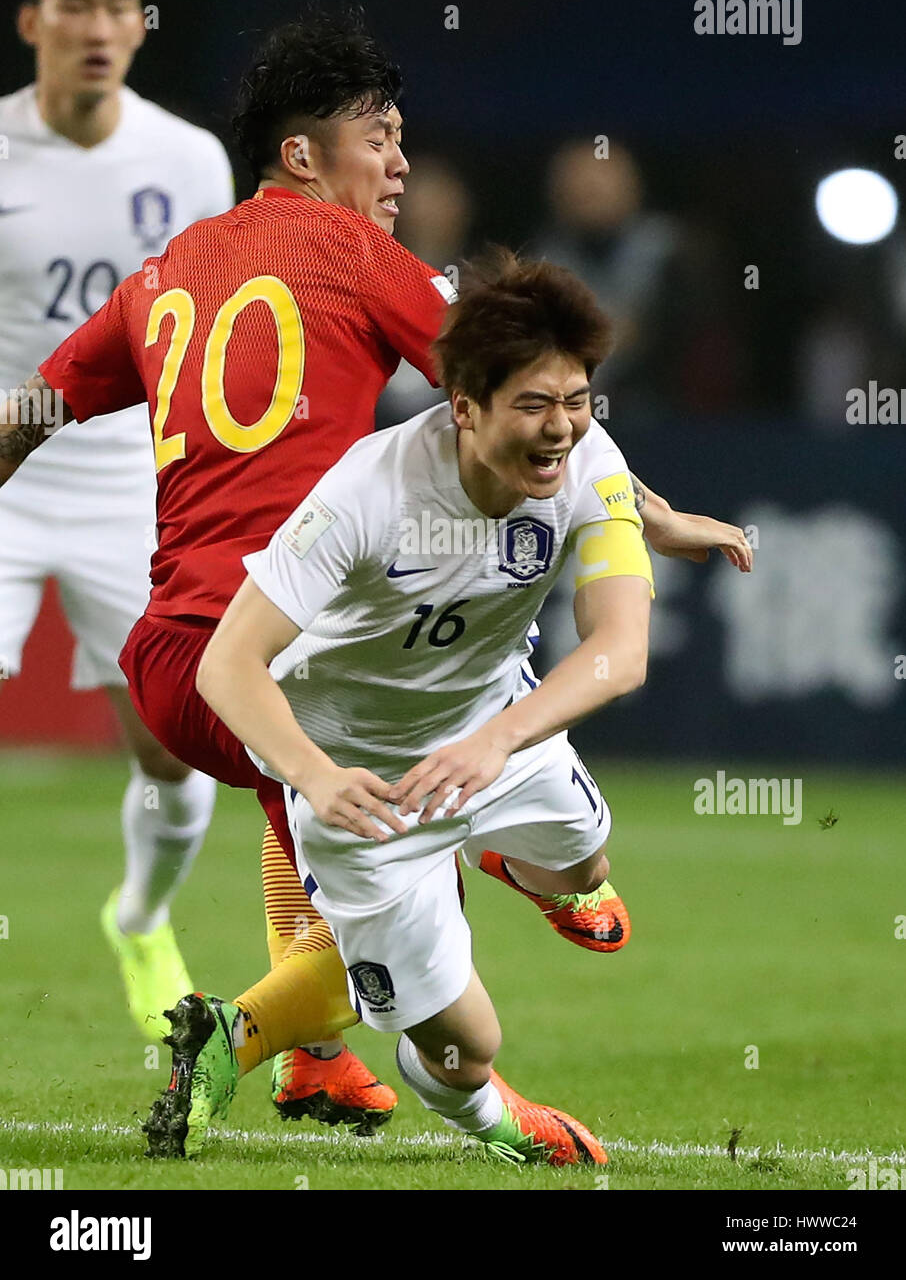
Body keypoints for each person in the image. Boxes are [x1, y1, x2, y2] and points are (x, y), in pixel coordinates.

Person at [0, 11, 752, 1143]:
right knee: (400, 902)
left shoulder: (166, 270)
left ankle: (314, 1062)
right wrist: (648, 514)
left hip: (176, 660)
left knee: (307, 801)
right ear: (302, 156)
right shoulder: (354, 254)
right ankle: (284, 1012)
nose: (400, 163)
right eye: (380, 137)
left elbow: (34, 410)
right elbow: (516, 382)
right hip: (289, 655)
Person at [175, 250, 657, 1166]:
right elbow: (227, 663)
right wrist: (314, 780)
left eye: (576, 400)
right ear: (464, 407)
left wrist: (495, 741)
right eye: (533, 405)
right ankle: (495, 1124)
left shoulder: (590, 457)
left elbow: (617, 651)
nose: (560, 430)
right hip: (366, 785)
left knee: (585, 862)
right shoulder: (368, 493)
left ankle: (523, 866)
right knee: (465, 1048)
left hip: (492, 728)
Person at [0, 0, 233, 1040]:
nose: (101, 27)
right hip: (3, 466)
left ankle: (140, 914)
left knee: (170, 743)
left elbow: (217, 336)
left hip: (128, 485)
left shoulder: (190, 162)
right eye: (77, 6)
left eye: (120, 6)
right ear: (32, 21)